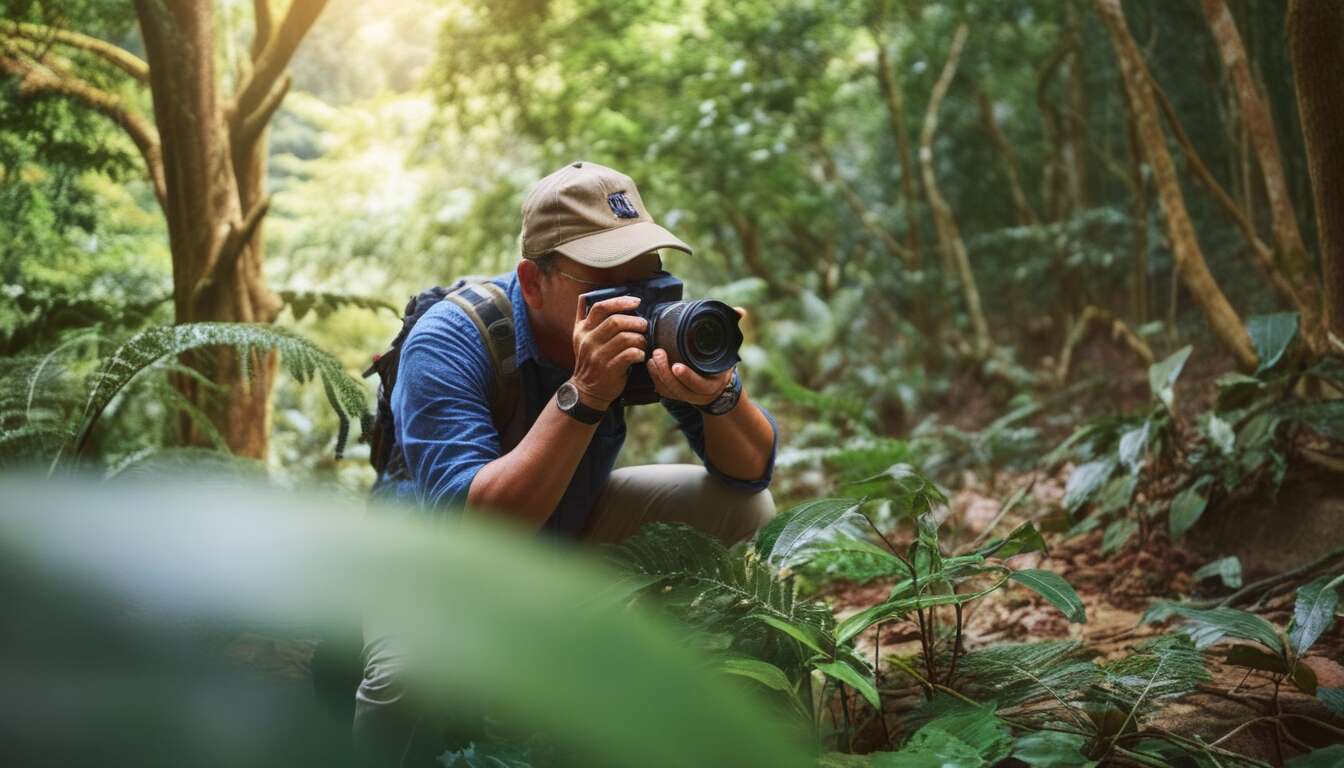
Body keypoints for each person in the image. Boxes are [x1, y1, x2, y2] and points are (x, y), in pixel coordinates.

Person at [353, 160, 779, 765]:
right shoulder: (451, 340)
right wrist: (586, 392)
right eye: (608, 278)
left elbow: (750, 471)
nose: (636, 298)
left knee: (744, 507)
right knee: (409, 678)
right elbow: (475, 527)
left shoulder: (642, 328)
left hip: (564, 527)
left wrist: (717, 397)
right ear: (533, 281)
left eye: (649, 274)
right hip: (435, 561)